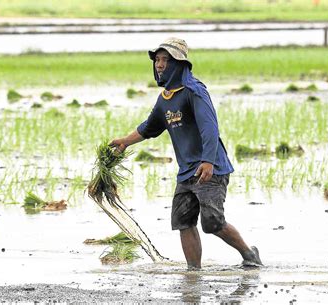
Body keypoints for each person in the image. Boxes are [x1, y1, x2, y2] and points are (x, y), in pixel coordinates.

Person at [110, 37, 262, 270]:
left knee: (212, 223)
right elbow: (149, 127)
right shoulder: (165, 100)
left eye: (165, 60)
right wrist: (125, 142)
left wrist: (208, 161)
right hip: (186, 173)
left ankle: (249, 254)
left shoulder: (194, 91)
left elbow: (210, 128)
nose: (159, 65)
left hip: (210, 169)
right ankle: (193, 272)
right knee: (183, 221)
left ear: (179, 64)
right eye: (157, 60)